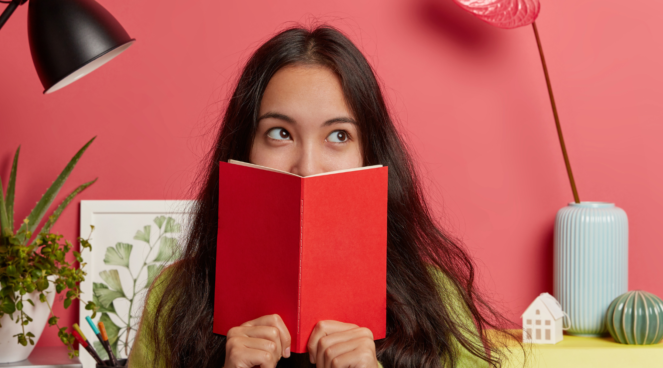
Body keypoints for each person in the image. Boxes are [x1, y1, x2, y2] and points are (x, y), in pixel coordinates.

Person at [128, 25, 517, 368]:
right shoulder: (177, 294)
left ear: (370, 154)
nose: (308, 167)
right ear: (243, 148)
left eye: (338, 136)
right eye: (280, 133)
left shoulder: (435, 297)